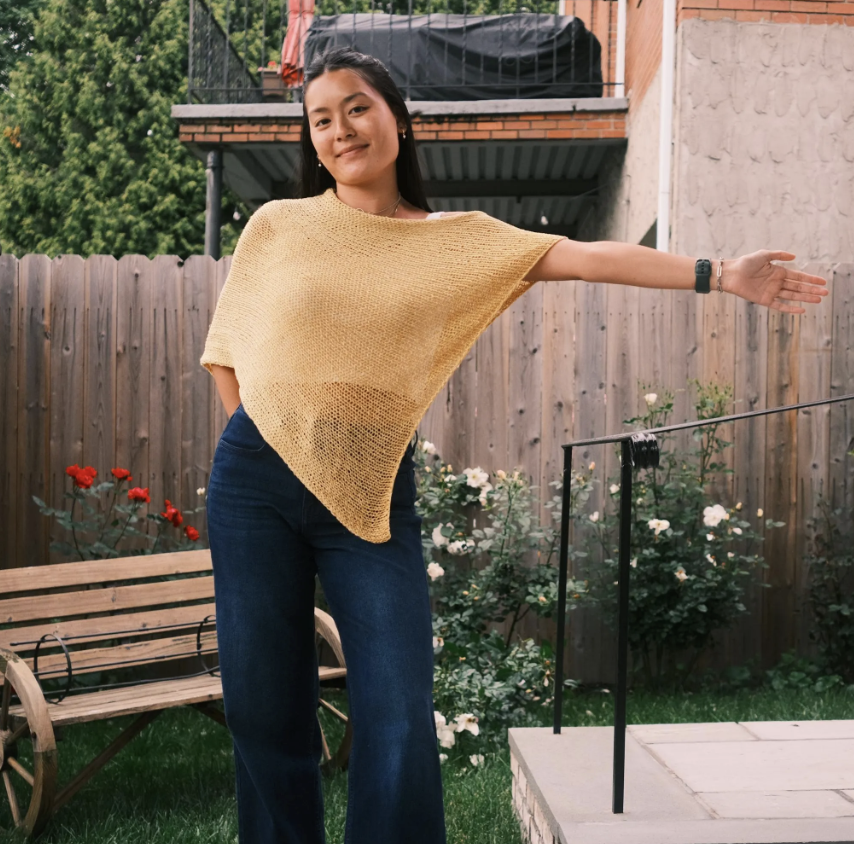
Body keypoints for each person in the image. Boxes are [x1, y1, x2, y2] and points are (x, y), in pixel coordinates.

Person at [201, 46, 828, 844]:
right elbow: (228, 351)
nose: (340, 130)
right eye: (319, 120)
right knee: (263, 699)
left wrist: (718, 272)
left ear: (398, 118)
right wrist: (271, 444)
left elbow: (591, 257)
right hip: (256, 479)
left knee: (395, 703)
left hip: (369, 492)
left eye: (356, 107)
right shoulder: (278, 226)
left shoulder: (459, 242)